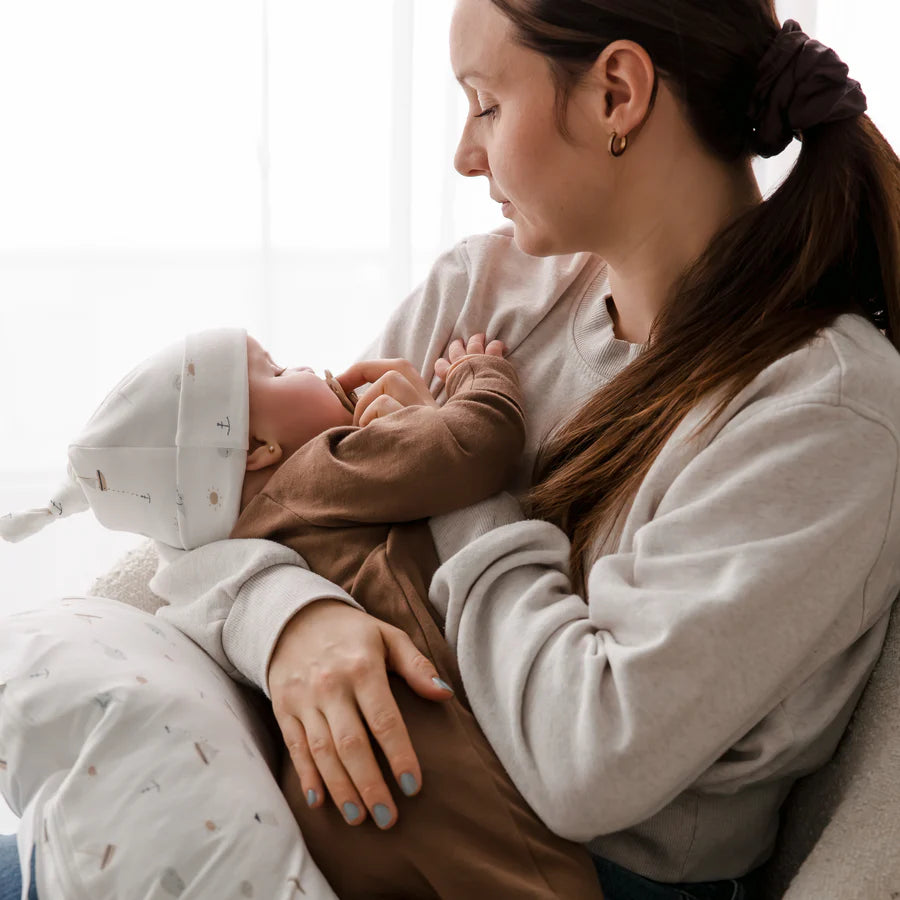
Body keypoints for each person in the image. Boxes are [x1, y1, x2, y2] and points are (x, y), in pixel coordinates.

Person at [5, 0, 900, 897]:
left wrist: (455, 476)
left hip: (543, 871)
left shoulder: (824, 411)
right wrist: (288, 622)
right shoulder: (485, 288)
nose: (464, 154)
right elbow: (255, 513)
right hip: (341, 804)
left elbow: (587, 764)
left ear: (617, 94)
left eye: (486, 104)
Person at [0, 328, 605, 898]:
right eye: (278, 368)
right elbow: (473, 445)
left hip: (321, 787)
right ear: (259, 449)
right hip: (408, 738)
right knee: (538, 878)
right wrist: (479, 376)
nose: (310, 367)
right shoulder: (323, 468)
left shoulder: (232, 549)